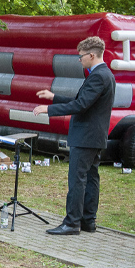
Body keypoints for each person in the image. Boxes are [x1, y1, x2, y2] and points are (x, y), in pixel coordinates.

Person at [33, 36, 116, 235]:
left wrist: (48, 109)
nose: (79, 60)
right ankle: (88, 221)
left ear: (91, 55)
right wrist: (54, 97)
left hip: (86, 136)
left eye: (81, 57)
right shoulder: (106, 74)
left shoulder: (97, 76)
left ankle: (71, 223)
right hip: (94, 136)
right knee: (91, 178)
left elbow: (80, 105)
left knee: (77, 179)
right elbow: (83, 99)